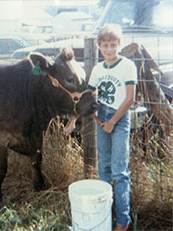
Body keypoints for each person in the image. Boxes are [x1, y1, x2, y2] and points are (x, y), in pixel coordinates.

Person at [88, 24, 137, 231]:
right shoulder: (98, 69)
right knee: (103, 167)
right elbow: (89, 95)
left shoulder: (127, 66)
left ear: (119, 45)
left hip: (119, 118)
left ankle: (123, 220)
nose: (109, 49)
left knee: (119, 170)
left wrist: (112, 122)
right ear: (99, 47)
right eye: (105, 45)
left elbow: (129, 99)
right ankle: (104, 215)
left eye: (113, 45)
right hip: (102, 116)